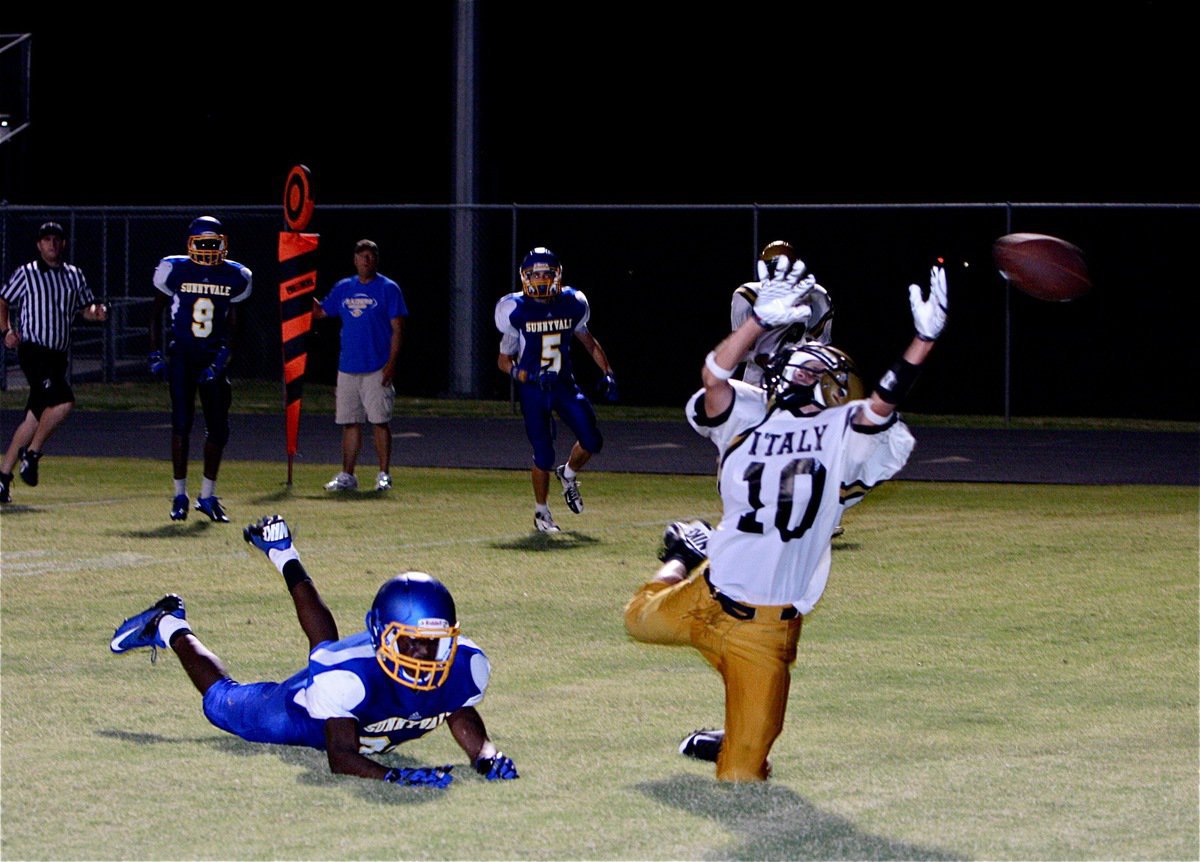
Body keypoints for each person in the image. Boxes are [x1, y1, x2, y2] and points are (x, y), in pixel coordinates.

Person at [624, 254, 949, 782]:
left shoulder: (841, 431)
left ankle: (738, 732)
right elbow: (714, 375)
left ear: (836, 388)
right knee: (636, 619)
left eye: (817, 366)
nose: (801, 365)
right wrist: (756, 323)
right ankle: (687, 554)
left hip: (764, 630)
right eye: (800, 361)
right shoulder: (748, 415)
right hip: (708, 595)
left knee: (742, 774)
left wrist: (922, 342)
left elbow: (884, 405)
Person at [109, 514, 518, 787]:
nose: (422, 656)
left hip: (352, 688)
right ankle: (169, 623)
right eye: (409, 641)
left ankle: (283, 552)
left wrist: (484, 753)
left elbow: (459, 709)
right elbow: (340, 756)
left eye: (433, 644)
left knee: (326, 645)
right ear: (382, 637)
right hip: (302, 717)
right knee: (221, 704)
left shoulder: (466, 665)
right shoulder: (344, 677)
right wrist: (396, 778)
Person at [494, 247, 617, 533]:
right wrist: (517, 371)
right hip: (534, 389)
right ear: (524, 276)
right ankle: (541, 513)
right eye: (534, 273)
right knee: (543, 453)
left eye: (545, 273)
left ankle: (569, 473)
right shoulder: (514, 309)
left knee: (592, 440)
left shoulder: (573, 302)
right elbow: (503, 359)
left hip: (563, 383)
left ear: (556, 275)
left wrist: (607, 371)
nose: (539, 279)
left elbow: (588, 341)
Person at [149, 215, 252, 523]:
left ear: (223, 244)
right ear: (191, 243)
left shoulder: (236, 275)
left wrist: (223, 359)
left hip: (212, 359)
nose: (208, 249)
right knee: (181, 424)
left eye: (213, 243)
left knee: (219, 428)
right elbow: (154, 314)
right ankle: (179, 495)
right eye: (203, 242)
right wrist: (155, 353)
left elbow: (236, 326)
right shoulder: (174, 269)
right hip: (182, 355)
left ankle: (207, 496)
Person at [0, 221, 107, 505]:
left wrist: (96, 313)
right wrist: (7, 330)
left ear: (63, 244)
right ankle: (32, 454)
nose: (52, 244)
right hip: (34, 351)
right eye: (46, 240)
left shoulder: (73, 275)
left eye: (56, 240)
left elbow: (87, 307)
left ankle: (2, 478)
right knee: (63, 402)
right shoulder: (27, 273)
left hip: (58, 355)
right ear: (39, 245)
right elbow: (3, 299)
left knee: (34, 417)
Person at [313, 239, 407, 493]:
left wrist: (391, 364)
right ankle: (347, 475)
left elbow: (397, 329)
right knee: (350, 422)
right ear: (355, 260)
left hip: (376, 365)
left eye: (370, 256)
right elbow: (321, 313)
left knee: (379, 421)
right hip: (348, 367)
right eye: (362, 256)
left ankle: (383, 474)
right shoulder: (345, 288)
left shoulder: (388, 289)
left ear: (376, 260)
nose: (366, 260)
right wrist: (298, 289)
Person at [729, 240, 834, 387]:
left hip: (799, 377)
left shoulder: (817, 296)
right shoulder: (748, 296)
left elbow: (822, 348)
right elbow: (738, 350)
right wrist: (761, 358)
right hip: (759, 379)